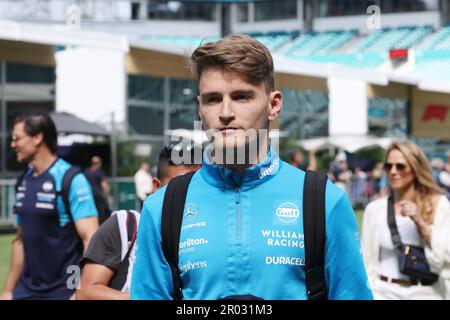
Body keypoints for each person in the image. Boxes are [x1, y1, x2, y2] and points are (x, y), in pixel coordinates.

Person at [130, 35, 373, 300]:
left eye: (241, 97)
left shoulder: (324, 200)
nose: (225, 112)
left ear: (274, 104)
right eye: (212, 99)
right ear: (199, 108)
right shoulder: (161, 208)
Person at [76, 142, 201, 300]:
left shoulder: (209, 234)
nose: (187, 195)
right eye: (178, 186)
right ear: (156, 186)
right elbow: (86, 292)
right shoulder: (124, 226)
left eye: (196, 188)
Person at [0, 114, 99, 300]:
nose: (12, 145)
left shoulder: (70, 179)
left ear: (37, 138)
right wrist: (8, 290)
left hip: (63, 291)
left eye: (17, 138)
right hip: (26, 291)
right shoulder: (22, 181)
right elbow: (21, 239)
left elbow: (90, 239)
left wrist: (78, 289)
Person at [361, 141, 450, 300]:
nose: (393, 172)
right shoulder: (375, 209)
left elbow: (445, 254)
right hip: (384, 292)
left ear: (416, 168)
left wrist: (420, 222)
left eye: (400, 166)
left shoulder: (439, 205)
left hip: (426, 293)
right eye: (389, 166)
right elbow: (367, 260)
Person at [84, 155, 112, 224]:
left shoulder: (85, 172)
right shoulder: (99, 173)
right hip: (98, 197)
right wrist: (108, 196)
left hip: (88, 197)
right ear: (98, 163)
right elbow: (105, 185)